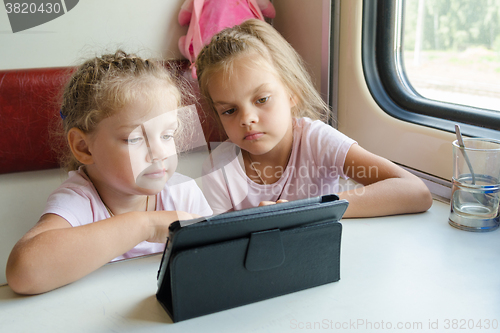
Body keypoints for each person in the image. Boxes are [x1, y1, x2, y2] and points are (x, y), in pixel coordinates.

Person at [6, 50, 212, 295]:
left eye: (167, 135)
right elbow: (23, 273)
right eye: (134, 138)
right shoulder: (79, 200)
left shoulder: (183, 193)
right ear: (84, 147)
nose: (159, 153)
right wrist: (146, 225)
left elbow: (214, 263)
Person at [195, 19, 433, 217]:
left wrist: (309, 209)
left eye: (262, 100)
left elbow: (415, 190)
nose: (247, 119)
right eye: (229, 111)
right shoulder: (218, 168)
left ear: (292, 92)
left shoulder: (316, 140)